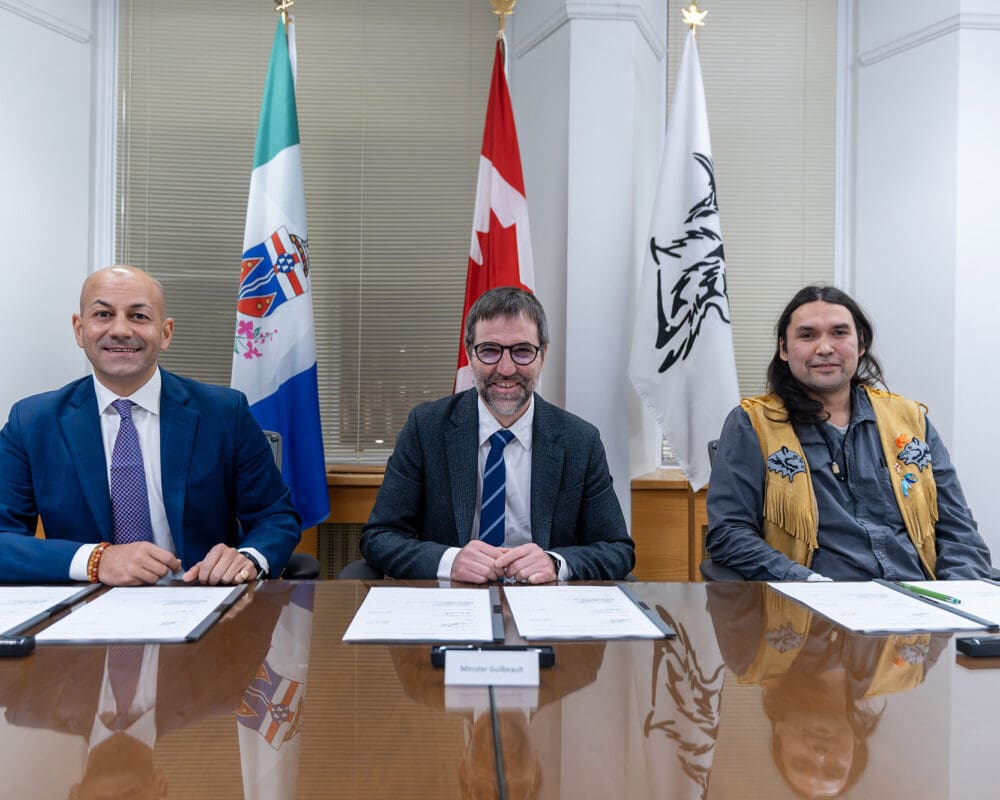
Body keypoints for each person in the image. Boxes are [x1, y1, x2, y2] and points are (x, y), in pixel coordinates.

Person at [0, 265, 300, 584]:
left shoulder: (225, 412)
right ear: (79, 329)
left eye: (139, 316)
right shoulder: (33, 422)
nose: (120, 330)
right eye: (103, 314)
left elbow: (275, 516)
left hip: (200, 600)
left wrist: (248, 558)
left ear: (165, 332)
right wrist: (96, 560)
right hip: (84, 607)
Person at [706, 285, 992, 581]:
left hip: (919, 605)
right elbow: (729, 533)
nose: (825, 348)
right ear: (783, 349)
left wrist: (960, 593)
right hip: (814, 611)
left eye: (839, 333)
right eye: (807, 335)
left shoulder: (911, 420)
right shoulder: (752, 424)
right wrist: (803, 582)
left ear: (861, 343)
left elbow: (958, 529)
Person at [361, 286, 634, 583]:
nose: (506, 369)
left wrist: (555, 564)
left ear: (542, 355)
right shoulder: (426, 428)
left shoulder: (580, 441)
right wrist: (450, 561)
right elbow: (379, 537)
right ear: (469, 354)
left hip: (545, 609)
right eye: (489, 351)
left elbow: (616, 549)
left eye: (522, 351)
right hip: (452, 606)